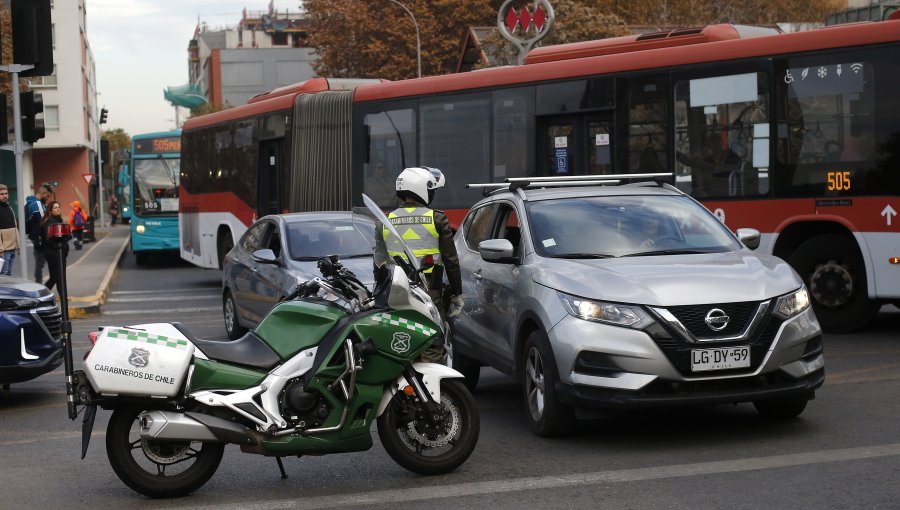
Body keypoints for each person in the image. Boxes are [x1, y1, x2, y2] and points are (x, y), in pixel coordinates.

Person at [374, 166, 464, 364]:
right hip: (429, 290)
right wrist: (457, 293)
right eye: (431, 190)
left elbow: (379, 263)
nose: (431, 195)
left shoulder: (384, 221)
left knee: (401, 341)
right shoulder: (437, 218)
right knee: (431, 341)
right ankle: (434, 393)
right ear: (421, 189)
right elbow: (451, 260)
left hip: (395, 292)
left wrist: (378, 295)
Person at [26, 184, 52, 282]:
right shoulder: (37, 204)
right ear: (43, 193)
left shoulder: (33, 203)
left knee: (40, 261)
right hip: (39, 236)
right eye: (48, 196)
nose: (48, 199)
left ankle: (38, 282)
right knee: (40, 261)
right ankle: (39, 283)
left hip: (36, 235)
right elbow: (43, 222)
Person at [40, 201, 69, 291]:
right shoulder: (49, 222)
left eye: (59, 207)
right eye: (55, 208)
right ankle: (43, 293)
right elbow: (50, 239)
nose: (58, 209)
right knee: (55, 277)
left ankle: (63, 299)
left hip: (60, 253)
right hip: (53, 253)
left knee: (61, 278)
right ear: (50, 210)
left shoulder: (59, 221)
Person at [0, 184, 19, 276]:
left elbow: (14, 228)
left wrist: (17, 245)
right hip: (4, 250)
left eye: (6, 193)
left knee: (8, 275)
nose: (4, 196)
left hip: (12, 248)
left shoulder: (10, 208)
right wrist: (0, 249)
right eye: (2, 194)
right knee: (3, 275)